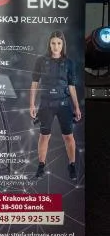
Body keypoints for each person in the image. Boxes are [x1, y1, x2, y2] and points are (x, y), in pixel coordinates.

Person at [29, 30, 82, 181]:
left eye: (59, 43)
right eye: (53, 43)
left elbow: (71, 86)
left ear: (63, 44)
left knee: (68, 137)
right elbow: (34, 84)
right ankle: (41, 166)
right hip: (46, 104)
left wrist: (77, 106)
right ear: (49, 44)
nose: (56, 46)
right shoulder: (41, 61)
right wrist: (31, 104)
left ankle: (72, 165)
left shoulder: (69, 63)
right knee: (44, 136)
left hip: (64, 104)